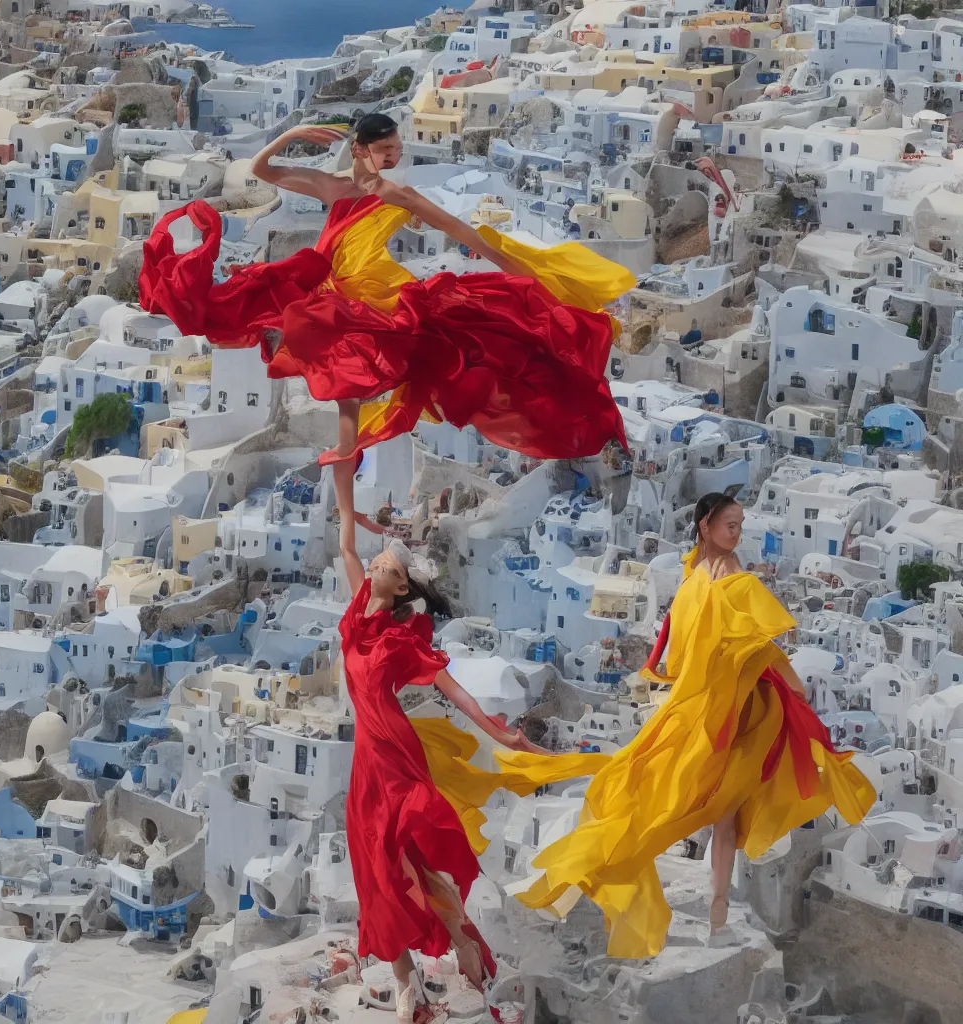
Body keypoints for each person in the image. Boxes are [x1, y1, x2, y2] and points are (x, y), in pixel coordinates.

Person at [488, 492, 876, 958]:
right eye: (730, 525)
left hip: (711, 709)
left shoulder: (695, 579)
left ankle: (691, 909)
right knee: (695, 807)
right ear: (705, 525)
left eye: (741, 524)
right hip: (726, 713)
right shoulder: (726, 580)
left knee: (675, 797)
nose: (737, 533)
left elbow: (700, 651)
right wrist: (795, 686)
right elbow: (760, 647)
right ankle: (701, 916)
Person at [138, 113, 634, 465]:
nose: (394, 158)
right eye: (384, 150)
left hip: (375, 289)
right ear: (360, 150)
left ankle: (351, 444)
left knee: (476, 337)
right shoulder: (332, 186)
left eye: (397, 150)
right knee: (315, 348)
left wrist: (518, 268)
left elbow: (462, 233)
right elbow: (262, 171)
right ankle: (349, 444)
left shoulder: (397, 194)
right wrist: (289, 134)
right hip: (328, 282)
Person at [333, 456, 543, 1023]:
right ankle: (409, 983)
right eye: (383, 557)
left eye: (390, 562)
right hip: (365, 767)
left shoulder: (402, 639)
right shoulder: (357, 615)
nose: (381, 558)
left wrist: (503, 734)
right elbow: (347, 540)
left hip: (396, 758)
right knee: (371, 870)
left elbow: (453, 691)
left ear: (399, 584)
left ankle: (461, 944)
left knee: (411, 862)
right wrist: (343, 466)